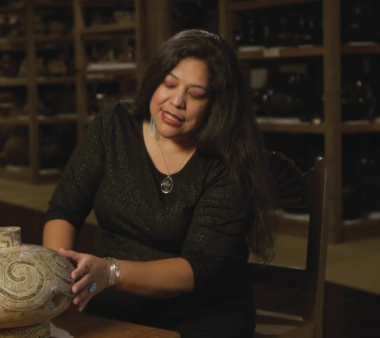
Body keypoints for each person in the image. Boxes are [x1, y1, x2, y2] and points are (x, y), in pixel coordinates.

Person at [43, 29, 275, 337]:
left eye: (195, 94)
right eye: (169, 84)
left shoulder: (228, 160)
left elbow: (199, 269)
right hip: (113, 305)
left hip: (200, 314)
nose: (176, 102)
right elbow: (64, 209)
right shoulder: (115, 124)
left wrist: (111, 271)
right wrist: (55, 276)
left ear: (217, 103)